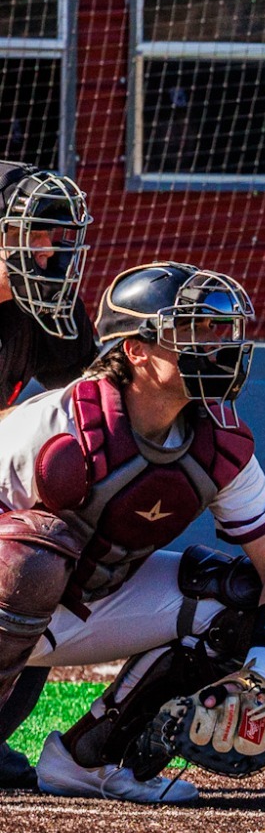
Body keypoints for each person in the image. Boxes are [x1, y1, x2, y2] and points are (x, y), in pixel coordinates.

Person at [0, 262, 265, 803]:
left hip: (86, 608)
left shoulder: (219, 443)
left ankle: (89, 760)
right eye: (193, 329)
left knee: (235, 598)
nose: (216, 345)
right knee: (32, 556)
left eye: (218, 330)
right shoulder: (57, 425)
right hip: (14, 596)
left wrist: (258, 676)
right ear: (136, 350)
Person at [0, 163, 94, 789]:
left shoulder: (43, 307)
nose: (54, 252)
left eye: (61, 236)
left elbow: (98, 400)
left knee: (43, 553)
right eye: (38, 235)